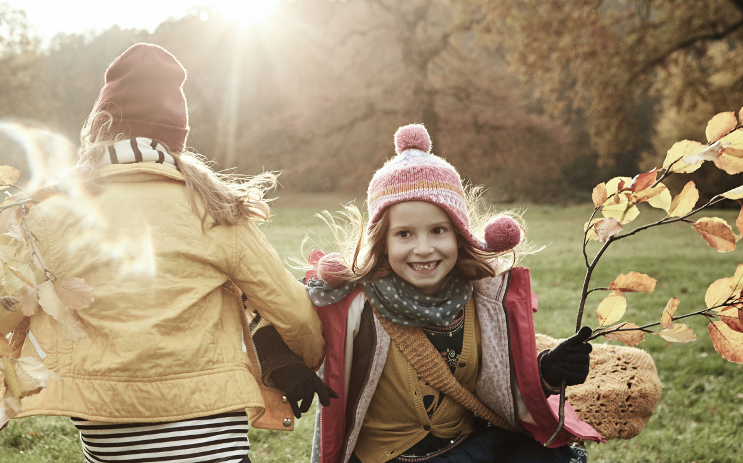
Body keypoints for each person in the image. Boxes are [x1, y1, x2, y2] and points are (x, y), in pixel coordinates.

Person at [0, 43, 326, 463]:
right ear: (177, 139)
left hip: (111, 430)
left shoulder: (48, 214)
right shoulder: (217, 210)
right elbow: (297, 317)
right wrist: (303, 360)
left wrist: (1, 245)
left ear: (97, 129)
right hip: (214, 430)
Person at [250, 124, 605, 463]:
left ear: (459, 235)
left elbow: (499, 383)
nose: (424, 248)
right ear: (383, 242)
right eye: (404, 234)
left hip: (469, 447)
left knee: (546, 452)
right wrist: (283, 365)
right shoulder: (351, 302)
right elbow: (268, 312)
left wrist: (546, 370)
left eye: (438, 231)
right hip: (387, 456)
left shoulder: (483, 300)